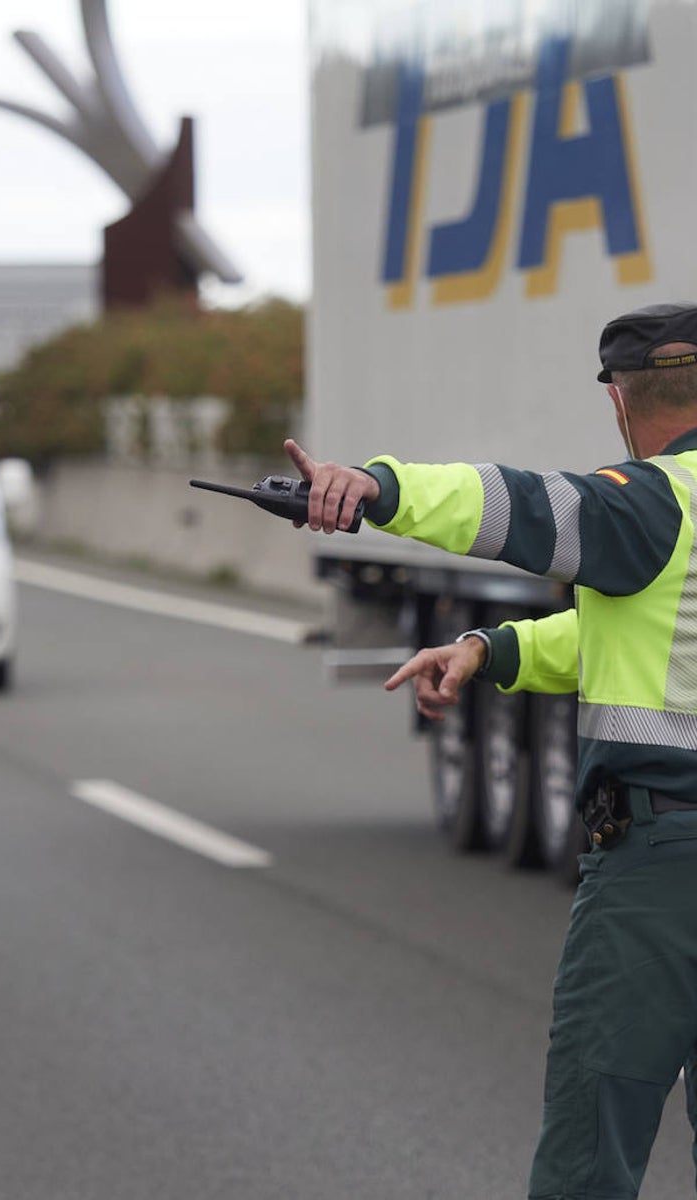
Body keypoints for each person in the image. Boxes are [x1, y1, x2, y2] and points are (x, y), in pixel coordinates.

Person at [286, 301, 697, 1199]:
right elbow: (650, 642)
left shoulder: (653, 504)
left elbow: (516, 504)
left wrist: (378, 487)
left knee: (590, 1160)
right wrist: (491, 650)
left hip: (665, 874)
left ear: (620, 405)